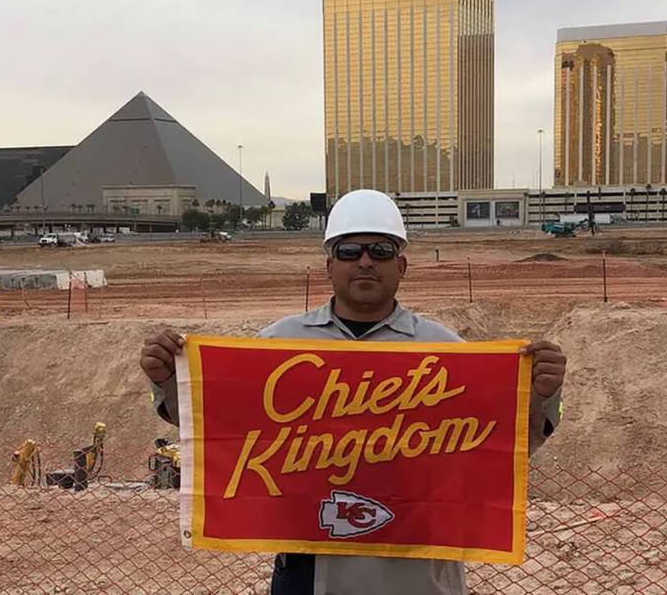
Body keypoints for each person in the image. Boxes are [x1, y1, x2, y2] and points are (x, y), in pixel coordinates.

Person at [140, 189, 567, 595]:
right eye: (350, 251)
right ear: (329, 266)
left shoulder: (445, 352)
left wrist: (539, 397)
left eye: (380, 251)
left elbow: (494, 452)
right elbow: (220, 428)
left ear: (401, 266)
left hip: (418, 573)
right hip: (310, 572)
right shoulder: (278, 346)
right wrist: (168, 381)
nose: (365, 262)